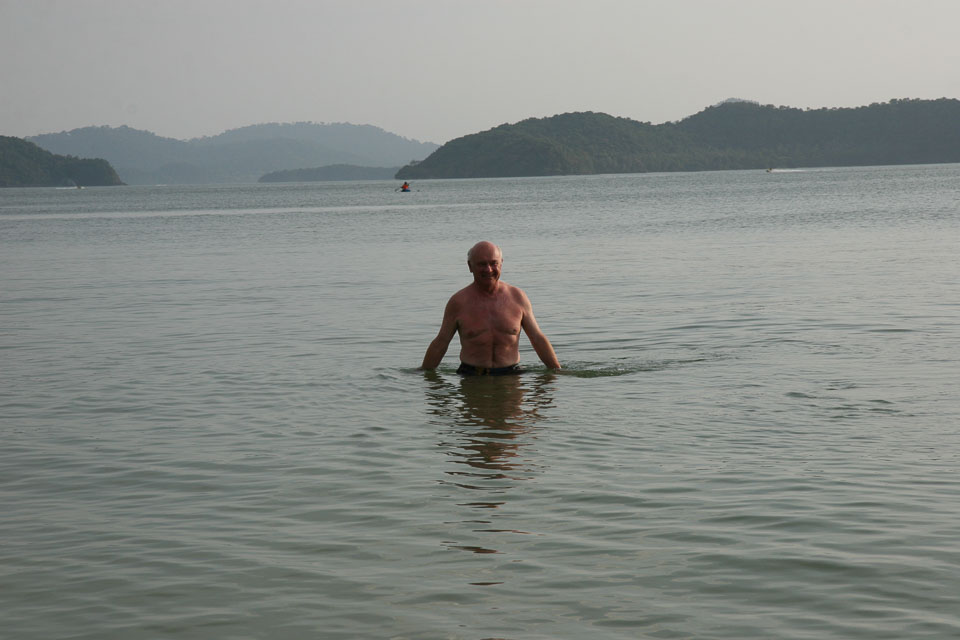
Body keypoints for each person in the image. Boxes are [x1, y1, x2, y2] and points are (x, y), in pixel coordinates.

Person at [421, 241, 561, 374]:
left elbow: (537, 338)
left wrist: (556, 370)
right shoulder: (458, 302)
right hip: (471, 376)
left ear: (501, 264)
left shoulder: (518, 297)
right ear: (470, 266)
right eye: (482, 264)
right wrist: (423, 374)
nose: (488, 269)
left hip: (511, 374)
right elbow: (441, 342)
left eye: (494, 263)